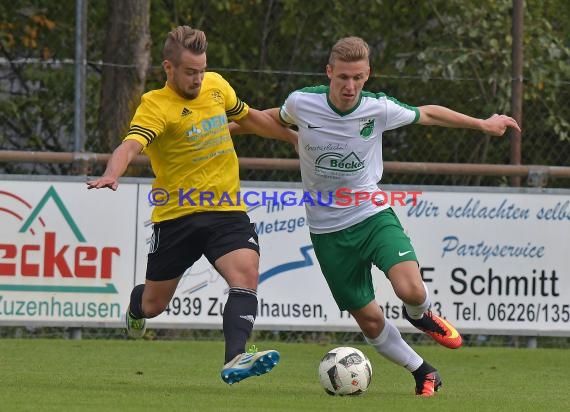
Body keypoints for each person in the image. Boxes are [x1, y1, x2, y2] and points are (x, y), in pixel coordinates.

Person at [232, 36, 521, 396]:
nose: (350, 86)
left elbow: (427, 113)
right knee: (369, 320)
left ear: (367, 74)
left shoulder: (378, 108)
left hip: (372, 215)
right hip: (327, 232)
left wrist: (481, 123)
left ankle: (421, 315)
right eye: (343, 78)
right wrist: (222, 131)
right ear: (329, 73)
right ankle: (423, 371)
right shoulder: (302, 102)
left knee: (411, 290)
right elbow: (272, 118)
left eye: (357, 78)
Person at [87, 26, 297, 385]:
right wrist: (112, 171)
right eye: (190, 72)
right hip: (176, 218)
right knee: (154, 305)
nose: (198, 79)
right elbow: (130, 146)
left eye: (201, 70)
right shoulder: (155, 105)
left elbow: (249, 118)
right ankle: (136, 308)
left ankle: (236, 358)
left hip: (226, 211)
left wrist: (293, 137)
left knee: (245, 276)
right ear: (168, 68)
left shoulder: (216, 86)